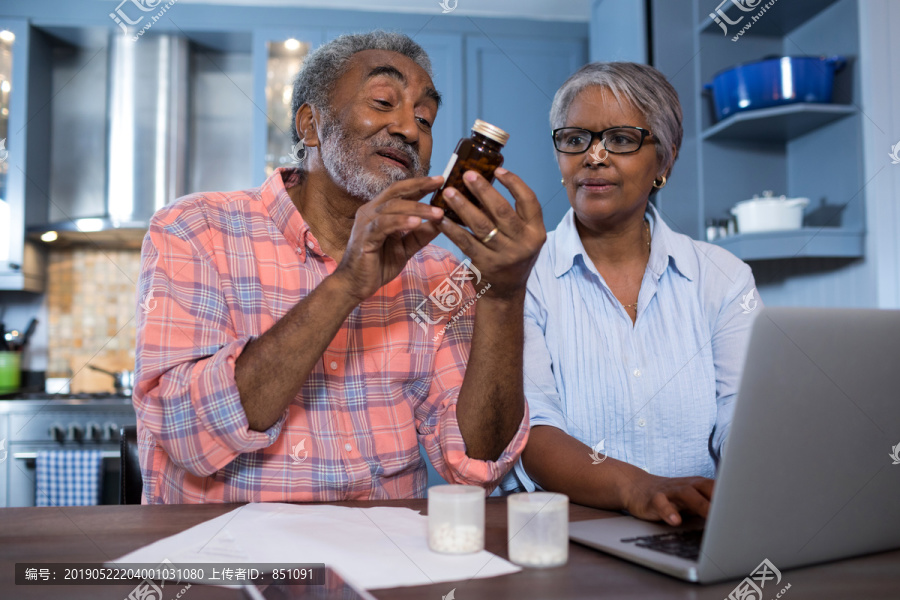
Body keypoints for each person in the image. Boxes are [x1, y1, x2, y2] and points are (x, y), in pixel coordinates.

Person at [134, 31, 546, 504]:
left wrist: (503, 293)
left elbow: (477, 462)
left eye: (425, 117)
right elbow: (185, 435)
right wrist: (347, 283)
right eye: (384, 100)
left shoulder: (434, 271)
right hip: (229, 563)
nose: (409, 130)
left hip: (381, 560)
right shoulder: (196, 228)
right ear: (310, 125)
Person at [501, 62, 761, 526]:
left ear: (665, 159)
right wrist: (636, 488)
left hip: (698, 526)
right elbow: (532, 432)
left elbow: (742, 413)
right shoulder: (521, 275)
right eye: (576, 138)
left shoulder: (723, 277)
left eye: (621, 140)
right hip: (567, 532)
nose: (594, 157)